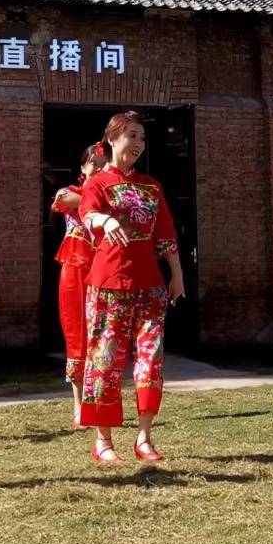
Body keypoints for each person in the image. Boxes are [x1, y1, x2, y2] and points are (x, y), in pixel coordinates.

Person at [78, 111, 186, 464]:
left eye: (142, 137)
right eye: (131, 136)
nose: (138, 144)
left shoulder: (151, 186)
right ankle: (103, 441)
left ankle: (144, 437)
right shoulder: (98, 183)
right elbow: (87, 214)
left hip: (150, 284)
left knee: (150, 359)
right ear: (112, 139)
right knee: (106, 359)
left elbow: (165, 234)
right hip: (109, 282)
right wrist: (106, 220)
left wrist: (176, 275)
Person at [50, 141, 108, 425]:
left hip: (102, 268)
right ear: (82, 167)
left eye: (103, 165)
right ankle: (78, 404)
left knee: (103, 333)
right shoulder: (72, 192)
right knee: (76, 333)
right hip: (74, 268)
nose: (97, 168)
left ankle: (100, 401)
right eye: (92, 163)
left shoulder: (108, 195)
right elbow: (63, 199)